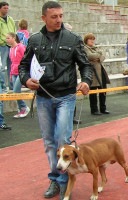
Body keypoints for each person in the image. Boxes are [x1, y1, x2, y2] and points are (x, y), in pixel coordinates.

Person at [18, 1, 93, 200]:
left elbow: (85, 66)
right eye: (54, 17)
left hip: (66, 97)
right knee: (50, 143)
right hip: (43, 97)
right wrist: (26, 79)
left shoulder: (73, 38)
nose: (59, 19)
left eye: (60, 15)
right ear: (43, 18)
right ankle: (55, 178)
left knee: (62, 139)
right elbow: (23, 67)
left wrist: (86, 81)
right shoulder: (34, 40)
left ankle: (63, 182)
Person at [84, 33, 110, 115]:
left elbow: (103, 57)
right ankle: (94, 109)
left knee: (103, 90)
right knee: (93, 91)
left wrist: (97, 57)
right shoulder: (85, 48)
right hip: (93, 72)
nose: (92, 41)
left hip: (101, 72)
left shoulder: (96, 48)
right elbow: (90, 56)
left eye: (93, 39)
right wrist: (98, 55)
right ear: (86, 40)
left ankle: (103, 108)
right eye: (90, 39)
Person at [6, 32, 30, 118]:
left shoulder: (20, 47)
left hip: (21, 72)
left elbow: (26, 58)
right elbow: (12, 63)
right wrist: (10, 74)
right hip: (14, 72)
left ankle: (24, 107)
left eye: (8, 38)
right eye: (6, 38)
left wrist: (26, 72)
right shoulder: (11, 49)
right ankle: (21, 109)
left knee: (16, 91)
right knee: (15, 92)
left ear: (13, 38)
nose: (6, 40)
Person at [0, 1, 15, 92]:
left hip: (11, 46)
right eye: (4, 8)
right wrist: (3, 42)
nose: (6, 10)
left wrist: (14, 41)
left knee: (12, 66)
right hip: (3, 46)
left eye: (7, 8)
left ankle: (11, 86)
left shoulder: (10, 19)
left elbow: (14, 30)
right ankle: (3, 87)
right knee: (2, 67)